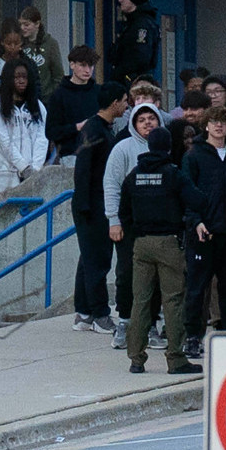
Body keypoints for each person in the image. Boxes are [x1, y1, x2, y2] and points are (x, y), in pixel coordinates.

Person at [118, 126, 206, 375]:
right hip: (169, 242)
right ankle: (176, 359)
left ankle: (136, 358)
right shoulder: (173, 174)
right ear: (168, 147)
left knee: (141, 301)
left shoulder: (134, 175)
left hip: (142, 243)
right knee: (173, 300)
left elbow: (123, 210)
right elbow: (197, 200)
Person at [182, 105, 226, 358]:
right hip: (202, 232)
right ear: (205, 126)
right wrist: (195, 221)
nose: (219, 126)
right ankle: (193, 337)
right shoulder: (194, 155)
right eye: (214, 122)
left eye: (223, 122)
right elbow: (186, 192)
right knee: (197, 288)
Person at [103, 103, 165, 349]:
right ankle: (125, 322)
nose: (148, 123)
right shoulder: (122, 149)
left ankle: (150, 326)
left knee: (156, 277)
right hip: (128, 224)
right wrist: (113, 220)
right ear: (134, 124)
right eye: (142, 119)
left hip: (157, 224)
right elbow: (111, 185)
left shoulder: (164, 147)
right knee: (126, 274)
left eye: (152, 118)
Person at [71, 82, 127, 337]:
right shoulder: (94, 129)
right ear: (114, 102)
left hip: (96, 202)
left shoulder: (103, 128)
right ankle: (100, 314)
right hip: (92, 204)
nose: (126, 106)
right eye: (124, 101)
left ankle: (83, 312)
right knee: (97, 260)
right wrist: (84, 206)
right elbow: (83, 169)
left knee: (88, 258)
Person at [0, 59, 48, 194]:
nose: (21, 81)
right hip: (6, 171)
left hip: (33, 174)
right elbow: (2, 140)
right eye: (17, 77)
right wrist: (23, 167)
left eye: (24, 77)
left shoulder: (38, 106)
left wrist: (35, 169)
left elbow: (42, 139)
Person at [45, 46, 103, 163]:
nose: (87, 70)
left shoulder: (100, 92)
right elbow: (51, 131)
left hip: (99, 154)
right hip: (71, 155)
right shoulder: (58, 95)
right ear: (72, 65)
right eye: (83, 65)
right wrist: (77, 127)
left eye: (91, 66)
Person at [109, 0, 159, 87]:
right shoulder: (133, 22)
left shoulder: (142, 25)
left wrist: (121, 72)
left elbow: (140, 57)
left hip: (131, 82)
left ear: (134, 0)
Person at [19, 6, 65, 99]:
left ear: (37, 24)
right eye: (21, 24)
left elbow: (58, 75)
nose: (22, 28)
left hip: (44, 99)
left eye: (26, 25)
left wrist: (49, 94)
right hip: (23, 97)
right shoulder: (19, 43)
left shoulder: (50, 43)